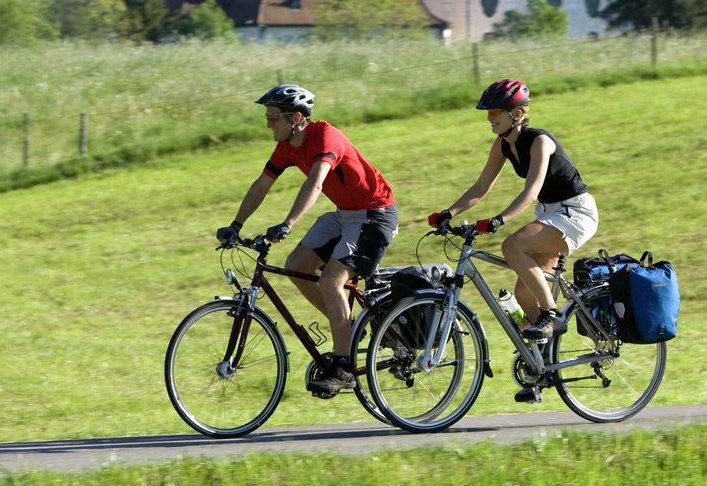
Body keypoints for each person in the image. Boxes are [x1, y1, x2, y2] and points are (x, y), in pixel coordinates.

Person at [216, 84, 399, 397]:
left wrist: (288, 223)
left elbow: (315, 184)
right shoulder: (287, 145)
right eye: (268, 117)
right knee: (297, 265)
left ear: (296, 117)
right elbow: (262, 184)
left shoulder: (325, 137)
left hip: (374, 214)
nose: (268, 123)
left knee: (331, 281)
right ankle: (349, 330)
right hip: (346, 214)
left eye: (273, 118)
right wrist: (236, 224)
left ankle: (344, 367)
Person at [428, 78, 599, 349]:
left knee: (513, 245)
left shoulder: (540, 141)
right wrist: (448, 212)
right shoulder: (502, 145)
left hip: (575, 213)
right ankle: (541, 365)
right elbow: (481, 186)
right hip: (550, 213)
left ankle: (552, 314)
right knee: (524, 292)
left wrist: (499, 220)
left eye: (494, 113)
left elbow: (531, 191)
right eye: (488, 113)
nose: (489, 119)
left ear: (517, 113)